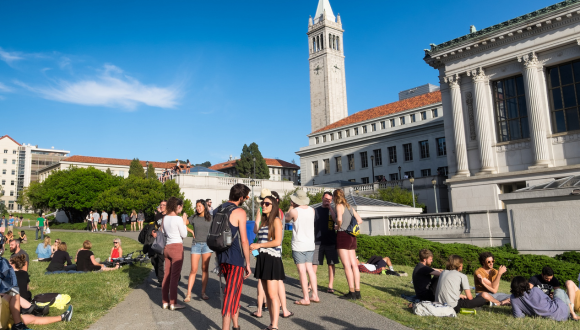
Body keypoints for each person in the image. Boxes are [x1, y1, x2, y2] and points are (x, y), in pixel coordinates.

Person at [216, 183, 252, 330]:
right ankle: (226, 327)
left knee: (233, 291)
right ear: (241, 197)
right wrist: (248, 263)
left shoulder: (218, 209)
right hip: (235, 257)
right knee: (230, 295)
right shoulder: (239, 212)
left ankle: (236, 325)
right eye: (246, 197)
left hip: (221, 256)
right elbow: (244, 240)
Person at [250, 196, 286, 330]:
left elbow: (277, 241)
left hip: (272, 259)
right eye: (262, 203)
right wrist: (254, 250)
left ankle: (275, 326)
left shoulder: (276, 220)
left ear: (273, 206)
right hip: (262, 259)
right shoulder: (264, 222)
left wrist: (259, 246)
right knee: (267, 297)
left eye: (267, 203)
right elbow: (259, 241)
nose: (263, 205)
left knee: (272, 295)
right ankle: (272, 324)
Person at [285, 189, 319, 305]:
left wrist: (290, 206)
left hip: (299, 244)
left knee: (302, 271)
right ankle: (315, 294)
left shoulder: (294, 211)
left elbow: (286, 218)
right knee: (310, 269)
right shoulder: (312, 210)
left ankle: (305, 298)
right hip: (310, 243)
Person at [333, 189, 363, 300]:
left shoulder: (339, 206)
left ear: (334, 197)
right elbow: (359, 220)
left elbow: (339, 219)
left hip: (342, 236)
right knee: (354, 265)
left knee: (346, 265)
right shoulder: (350, 206)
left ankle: (351, 292)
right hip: (352, 236)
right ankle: (358, 291)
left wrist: (338, 226)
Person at [161, 197, 188, 310]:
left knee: (166, 275)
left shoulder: (165, 218)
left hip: (167, 247)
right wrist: (184, 221)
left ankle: (165, 301)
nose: (181, 209)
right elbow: (184, 234)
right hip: (176, 247)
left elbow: (162, 231)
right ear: (178, 206)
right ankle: (173, 302)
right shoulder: (178, 219)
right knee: (174, 277)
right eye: (181, 207)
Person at [184, 199, 213, 302]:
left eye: (200, 206)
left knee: (205, 269)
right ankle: (188, 294)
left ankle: (203, 292)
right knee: (193, 269)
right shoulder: (194, 217)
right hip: (196, 244)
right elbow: (183, 223)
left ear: (204, 206)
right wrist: (190, 230)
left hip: (207, 245)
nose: (198, 208)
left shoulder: (210, 218)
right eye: (197, 206)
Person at [312, 191, 339, 293]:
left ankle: (330, 285)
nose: (327, 201)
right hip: (317, 241)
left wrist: (330, 208)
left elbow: (336, 220)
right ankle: (311, 284)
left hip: (330, 240)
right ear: (322, 198)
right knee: (314, 264)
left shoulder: (333, 210)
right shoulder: (316, 210)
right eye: (326, 199)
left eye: (329, 200)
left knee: (331, 264)